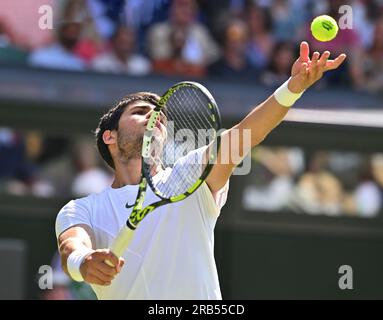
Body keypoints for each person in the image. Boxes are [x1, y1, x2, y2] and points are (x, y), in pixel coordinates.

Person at [55, 41, 346, 299]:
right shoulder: (82, 209)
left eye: (160, 116)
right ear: (110, 136)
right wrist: (85, 263)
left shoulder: (187, 174)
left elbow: (244, 135)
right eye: (141, 112)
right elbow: (72, 246)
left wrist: (292, 88)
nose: (154, 117)